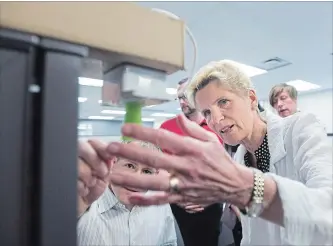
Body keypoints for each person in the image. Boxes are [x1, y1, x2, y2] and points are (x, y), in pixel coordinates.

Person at [105, 59, 333, 246]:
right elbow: (252, 236)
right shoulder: (240, 158)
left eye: (224, 102)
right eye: (207, 112)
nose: (216, 119)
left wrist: (248, 189)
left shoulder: (300, 129)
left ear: (251, 98)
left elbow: (327, 214)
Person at [160, 78, 223, 246]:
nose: (182, 101)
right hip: (179, 205)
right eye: (179, 97)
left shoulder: (217, 126)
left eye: (185, 96)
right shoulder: (167, 128)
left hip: (211, 204)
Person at [77, 139, 177, 246]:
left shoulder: (160, 202)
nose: (137, 178)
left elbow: (168, 243)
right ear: (113, 163)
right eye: (130, 166)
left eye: (147, 171)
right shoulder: (84, 203)